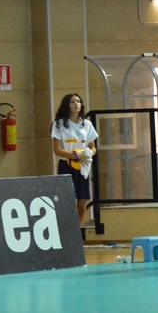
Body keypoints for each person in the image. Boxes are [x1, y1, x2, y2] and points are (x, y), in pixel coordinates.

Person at [51, 93, 98, 226]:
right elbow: (57, 150)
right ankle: (67, 228)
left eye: (78, 101)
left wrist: (87, 154)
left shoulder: (87, 124)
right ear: (67, 105)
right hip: (66, 165)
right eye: (72, 102)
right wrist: (73, 156)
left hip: (83, 166)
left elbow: (93, 148)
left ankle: (78, 228)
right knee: (68, 199)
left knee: (83, 199)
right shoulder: (59, 124)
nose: (76, 104)